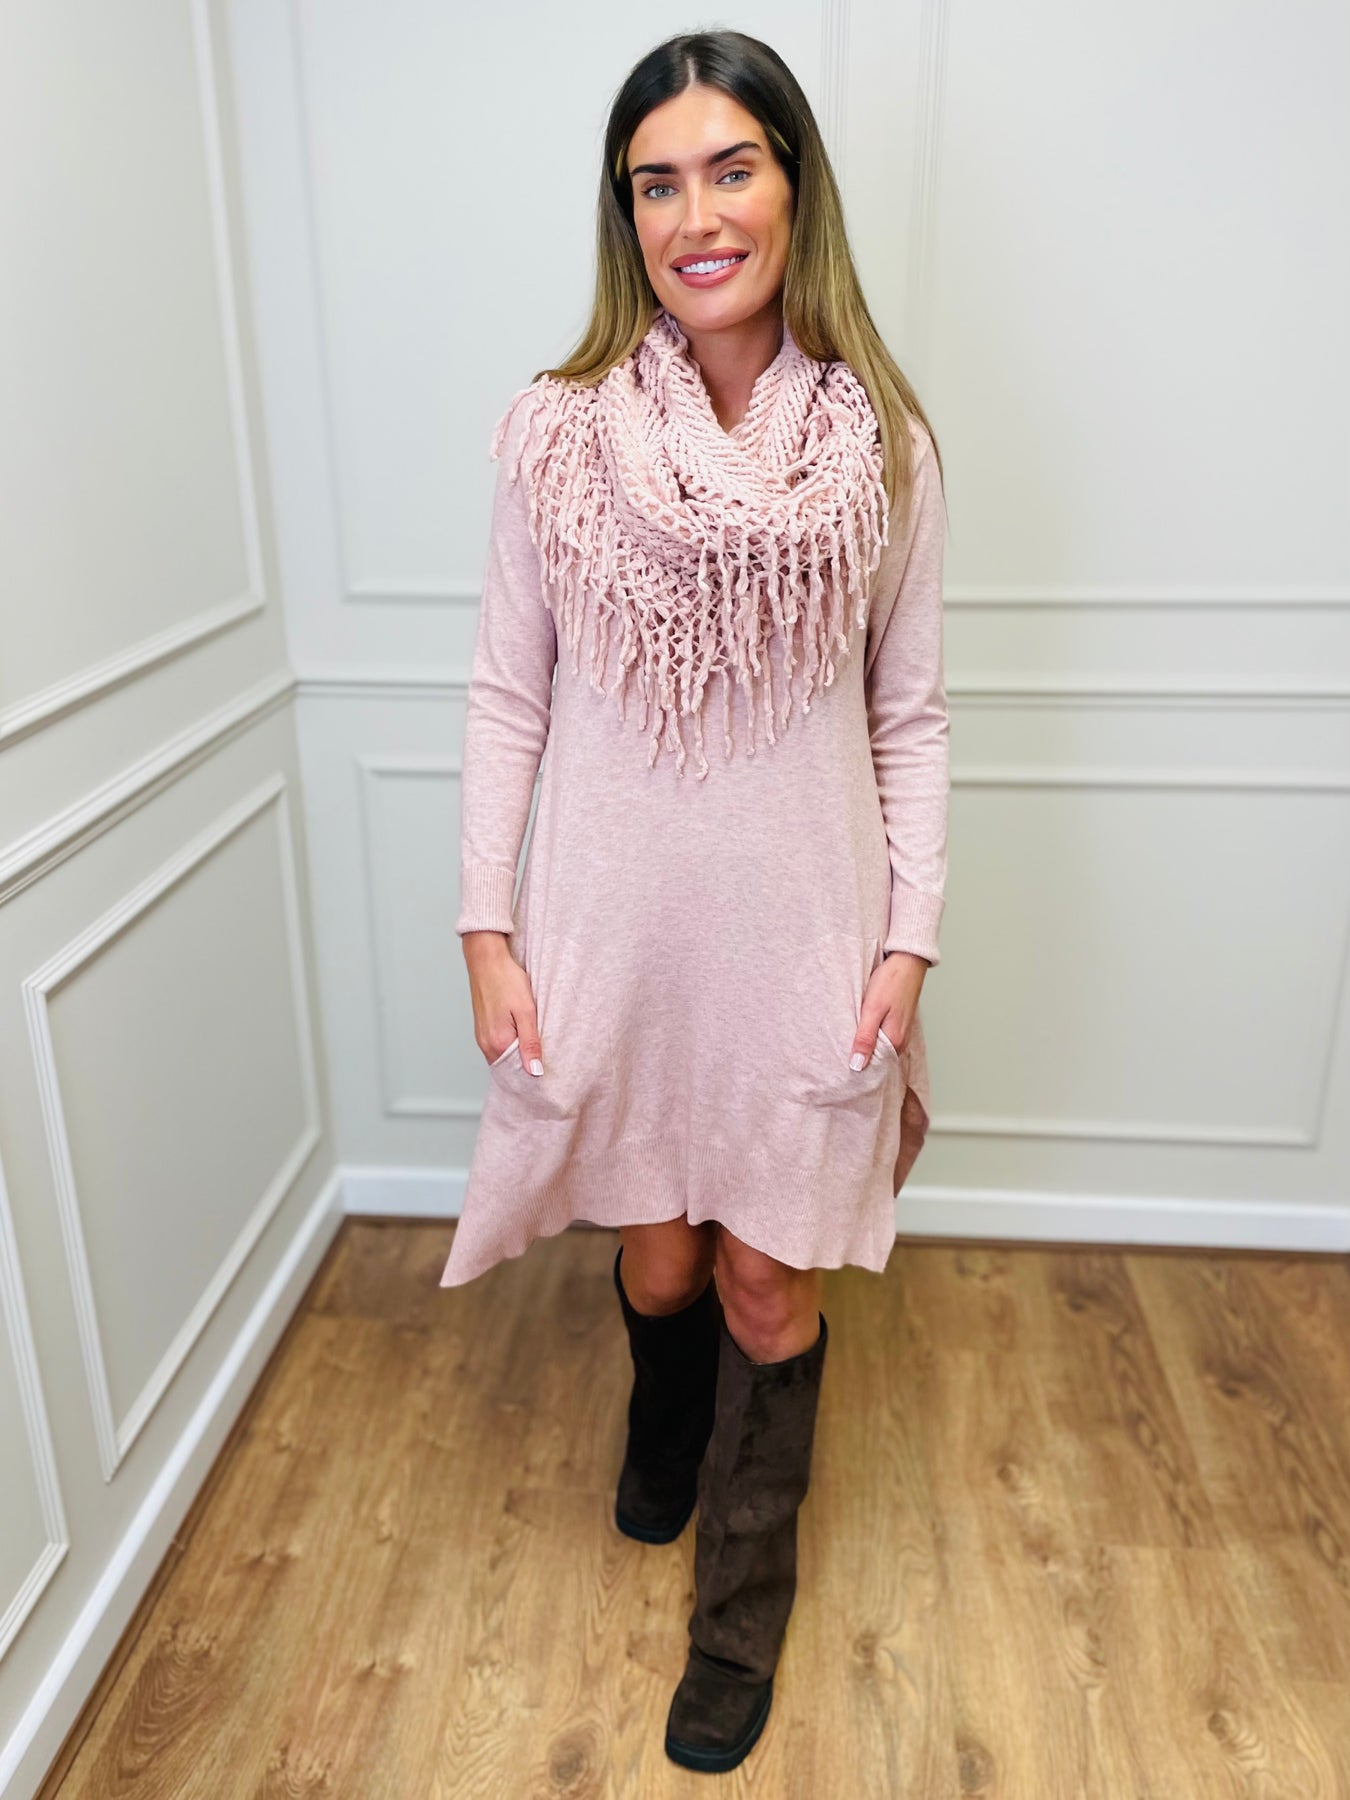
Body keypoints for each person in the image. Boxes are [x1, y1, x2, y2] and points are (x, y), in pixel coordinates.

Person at [440, 28, 949, 1775]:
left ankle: (739, 1607)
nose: (695, 214)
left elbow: (909, 715)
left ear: (793, 188)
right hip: (611, 928)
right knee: (657, 1259)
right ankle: (663, 1435)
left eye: (731, 168)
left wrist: (910, 939)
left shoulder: (882, 447)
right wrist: (486, 928)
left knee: (761, 1285)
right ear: (627, 217)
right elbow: (507, 697)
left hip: (806, 934)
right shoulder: (558, 437)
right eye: (656, 183)